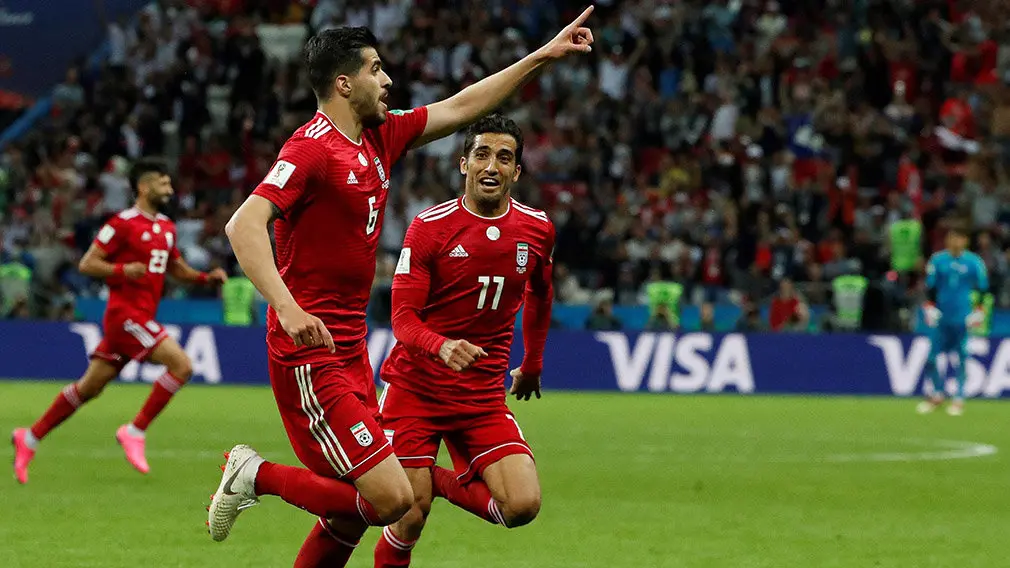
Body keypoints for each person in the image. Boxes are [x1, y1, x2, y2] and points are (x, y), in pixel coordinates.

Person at [210, 12, 593, 567]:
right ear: (345, 84)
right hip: (309, 353)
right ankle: (254, 473)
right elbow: (243, 225)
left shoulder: (379, 136)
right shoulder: (311, 149)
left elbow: (462, 107)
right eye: (375, 69)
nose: (387, 80)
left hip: (350, 350)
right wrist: (287, 308)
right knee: (393, 500)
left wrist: (542, 56)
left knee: (349, 515)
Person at [372, 114, 554, 566]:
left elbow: (541, 293)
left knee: (522, 506)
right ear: (463, 164)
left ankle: (431, 479)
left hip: (481, 396)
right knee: (408, 516)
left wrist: (532, 363)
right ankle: (420, 487)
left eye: (504, 158)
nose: (492, 166)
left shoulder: (537, 228)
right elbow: (402, 319)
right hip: (416, 390)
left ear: (517, 171)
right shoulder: (428, 227)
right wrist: (441, 345)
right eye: (482, 154)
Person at [11, 159, 227, 484]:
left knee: (89, 388)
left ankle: (29, 437)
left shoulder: (167, 227)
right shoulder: (122, 224)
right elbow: (87, 263)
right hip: (125, 316)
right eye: (163, 183)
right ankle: (135, 430)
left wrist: (204, 278)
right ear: (143, 186)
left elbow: (175, 267)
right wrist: (122, 270)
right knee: (182, 365)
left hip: (141, 317)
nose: (169, 189)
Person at [917, 220, 989, 416]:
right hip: (941, 317)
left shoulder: (974, 262)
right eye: (951, 237)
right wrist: (930, 307)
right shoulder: (938, 260)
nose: (954, 241)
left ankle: (959, 398)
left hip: (962, 317)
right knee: (932, 357)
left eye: (958, 238)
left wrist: (979, 311)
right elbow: (930, 287)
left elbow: (983, 288)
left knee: (961, 357)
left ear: (965, 241)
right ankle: (937, 394)